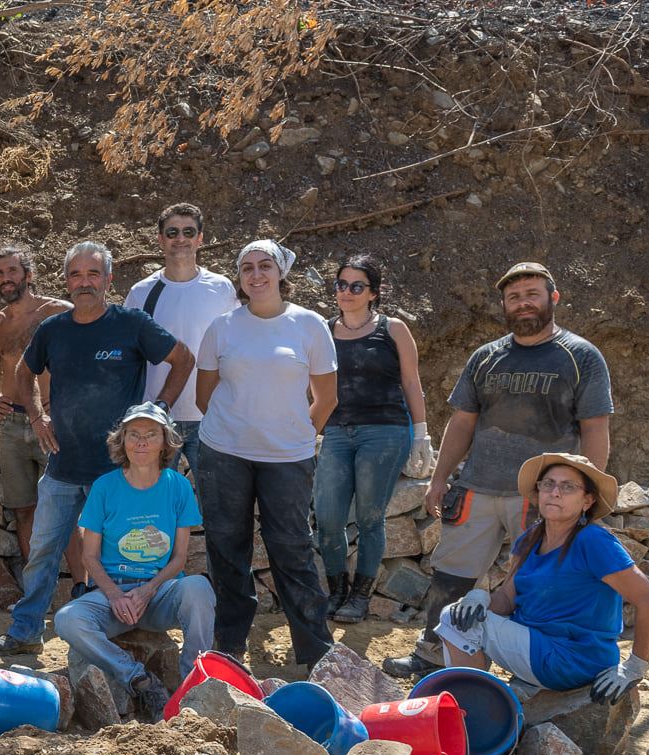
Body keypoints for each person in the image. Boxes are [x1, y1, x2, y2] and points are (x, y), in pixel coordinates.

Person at [387, 262, 613, 678]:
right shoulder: (487, 357)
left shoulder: (580, 356)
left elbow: (595, 426)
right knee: (451, 574)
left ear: (553, 299)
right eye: (514, 297)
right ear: (504, 305)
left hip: (541, 494)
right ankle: (433, 655)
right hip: (477, 486)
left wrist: (587, 492)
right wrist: (440, 477)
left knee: (531, 580)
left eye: (532, 294)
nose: (523, 303)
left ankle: (524, 664)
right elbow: (463, 422)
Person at [0, 240, 193, 656]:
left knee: (120, 555)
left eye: (93, 274)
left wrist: (160, 410)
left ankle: (116, 628)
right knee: (42, 552)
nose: (84, 282)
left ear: (109, 280)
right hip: (63, 465)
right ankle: (25, 631)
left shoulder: (131, 324)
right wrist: (39, 417)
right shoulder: (53, 329)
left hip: (116, 471)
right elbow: (25, 374)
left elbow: (183, 358)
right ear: (66, 280)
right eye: (76, 275)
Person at [193, 240, 338, 666]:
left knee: (292, 550)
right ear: (239, 278)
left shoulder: (309, 325)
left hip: (288, 460)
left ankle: (315, 652)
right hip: (224, 453)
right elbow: (205, 397)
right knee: (226, 549)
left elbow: (326, 398)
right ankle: (230, 646)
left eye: (265, 266)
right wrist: (241, 429)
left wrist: (293, 435)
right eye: (247, 268)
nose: (256, 275)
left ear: (281, 273)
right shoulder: (222, 327)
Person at [433, 454, 649, 706]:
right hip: (539, 649)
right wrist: (478, 598)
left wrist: (635, 667)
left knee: (449, 621)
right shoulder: (530, 538)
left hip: (573, 658)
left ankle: (473, 710)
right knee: (459, 617)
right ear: (538, 491)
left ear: (587, 500)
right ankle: (484, 701)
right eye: (548, 484)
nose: (555, 492)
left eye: (568, 486)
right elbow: (507, 598)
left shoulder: (593, 541)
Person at [52, 403, 216, 719]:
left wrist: (148, 590)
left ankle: (192, 687)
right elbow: (89, 555)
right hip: (113, 597)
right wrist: (115, 595)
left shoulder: (178, 486)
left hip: (161, 593)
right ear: (122, 440)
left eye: (150, 434)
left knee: (199, 588)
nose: (141, 442)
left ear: (165, 442)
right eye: (134, 434)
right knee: (67, 619)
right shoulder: (104, 487)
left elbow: (180, 557)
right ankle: (139, 680)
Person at [313, 253, 433, 624]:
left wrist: (421, 433)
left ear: (373, 293)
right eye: (341, 284)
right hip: (334, 431)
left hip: (385, 431)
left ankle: (360, 596)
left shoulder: (392, 329)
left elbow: (411, 382)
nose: (346, 292)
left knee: (369, 516)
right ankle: (336, 590)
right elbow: (311, 385)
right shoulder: (323, 329)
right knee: (328, 517)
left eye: (356, 286)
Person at [0, 246, 77, 586]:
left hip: (55, 424)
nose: (6, 279)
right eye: (0, 273)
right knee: (23, 508)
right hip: (13, 425)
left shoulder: (60, 312)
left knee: (69, 510)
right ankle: (37, 590)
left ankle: (82, 588)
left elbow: (85, 360)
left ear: (28, 275)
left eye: (12, 271)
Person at [123, 203, 237, 471]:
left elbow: (234, 347)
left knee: (213, 503)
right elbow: (128, 353)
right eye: (172, 232)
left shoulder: (222, 288)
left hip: (209, 415)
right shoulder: (141, 292)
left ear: (200, 238)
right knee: (157, 501)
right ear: (161, 239)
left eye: (189, 231)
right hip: (158, 416)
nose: (180, 239)